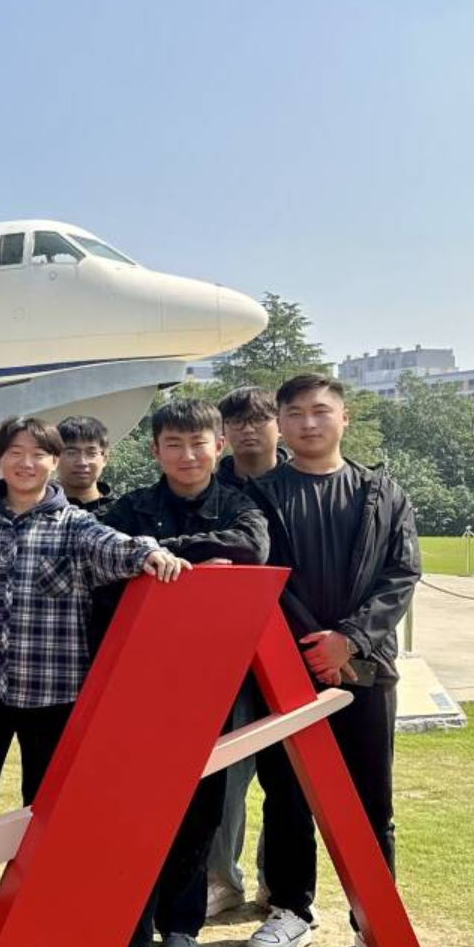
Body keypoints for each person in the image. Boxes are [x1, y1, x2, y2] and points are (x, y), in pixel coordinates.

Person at [0, 418, 187, 907]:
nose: (26, 463)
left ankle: (34, 904)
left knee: (45, 807)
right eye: (15, 452)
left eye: (38, 454)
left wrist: (149, 553)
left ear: (53, 462)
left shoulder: (73, 524)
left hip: (53, 693)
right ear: (0, 459)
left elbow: (113, 547)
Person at [243, 375, 419, 947]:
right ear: (280, 424)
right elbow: (265, 576)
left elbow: (401, 573)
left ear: (344, 418)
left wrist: (351, 640)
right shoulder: (259, 495)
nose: (308, 423)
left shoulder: (381, 491)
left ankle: (374, 920)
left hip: (366, 669)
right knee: (287, 794)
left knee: (372, 800)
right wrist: (314, 647)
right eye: (295, 413)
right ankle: (291, 908)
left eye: (321, 411)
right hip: (285, 668)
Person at [94, 399, 269, 947]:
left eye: (199, 443)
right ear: (155, 450)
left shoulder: (240, 505)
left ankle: (182, 925)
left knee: (200, 807)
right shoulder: (132, 508)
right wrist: (181, 558)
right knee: (134, 807)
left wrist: (161, 556)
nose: (188, 455)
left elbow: (249, 548)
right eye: (174, 444)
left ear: (219, 445)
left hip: (212, 678)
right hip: (139, 676)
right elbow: (106, 560)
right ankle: (130, 927)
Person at [208, 384, 289, 915]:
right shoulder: (208, 489)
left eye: (258, 419)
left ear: (277, 424)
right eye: (236, 421)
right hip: (227, 652)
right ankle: (221, 878)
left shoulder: (301, 483)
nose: (247, 429)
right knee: (224, 775)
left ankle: (278, 883)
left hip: (290, 647)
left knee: (288, 778)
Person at [56, 415, 114, 514]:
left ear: (104, 459)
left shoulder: (122, 513)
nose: (82, 462)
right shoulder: (37, 511)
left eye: (91, 453)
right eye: (71, 453)